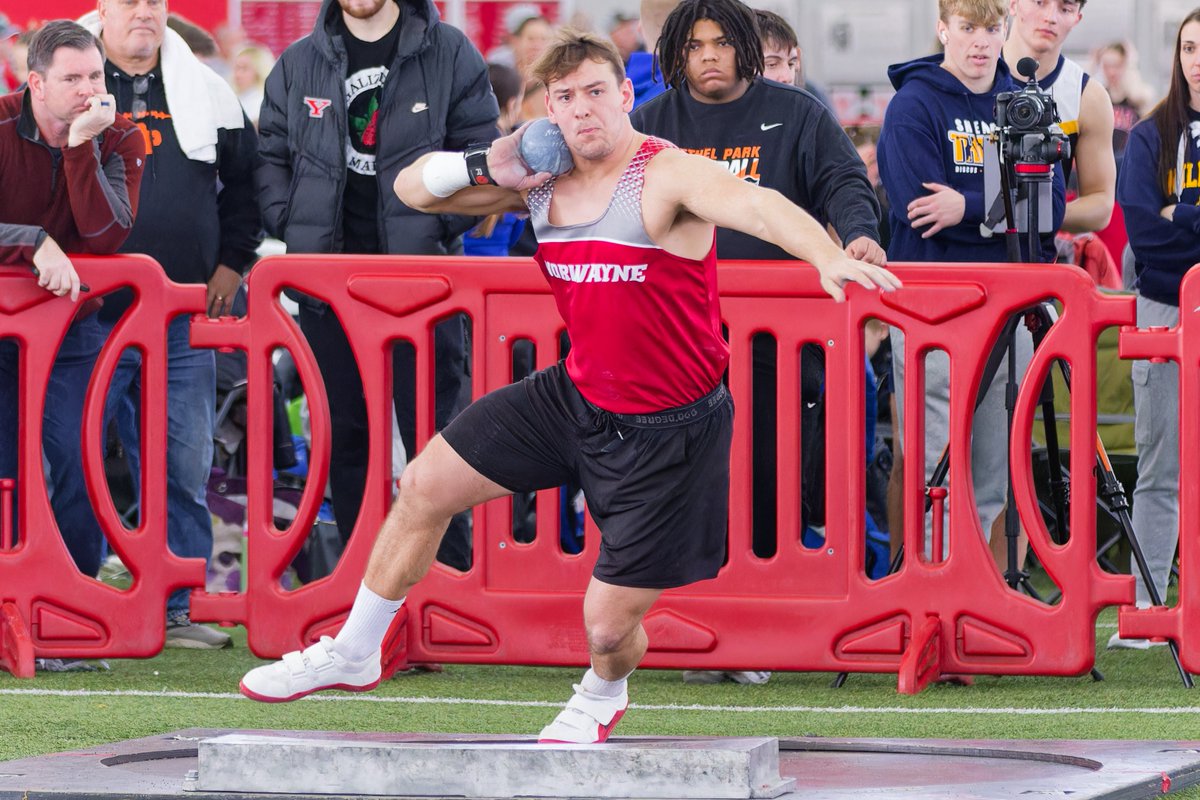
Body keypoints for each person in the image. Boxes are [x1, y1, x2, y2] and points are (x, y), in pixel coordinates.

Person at [240, 29, 899, 742]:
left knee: (608, 629)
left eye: (595, 92)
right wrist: (486, 158)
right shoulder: (540, 180)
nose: (583, 110)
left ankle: (601, 691)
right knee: (424, 484)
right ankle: (356, 648)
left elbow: (758, 205)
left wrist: (825, 255)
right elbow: (407, 190)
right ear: (546, 111)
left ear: (625, 97)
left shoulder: (666, 173)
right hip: (576, 396)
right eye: (564, 98)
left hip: (671, 431)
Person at [631, 0, 883, 685]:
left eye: (721, 43)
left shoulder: (797, 112)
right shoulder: (650, 124)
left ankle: (756, 627)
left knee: (770, 474)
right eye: (695, 45)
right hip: (676, 338)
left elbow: (843, 182)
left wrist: (857, 230)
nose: (708, 55)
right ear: (676, 53)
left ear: (745, 47)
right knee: (686, 478)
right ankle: (695, 618)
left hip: (779, 341)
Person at [255, 0, 499, 574]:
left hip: (426, 286)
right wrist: (291, 223)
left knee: (437, 442)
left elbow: (480, 155)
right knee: (347, 437)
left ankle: (446, 588)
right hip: (328, 288)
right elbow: (270, 154)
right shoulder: (297, 62)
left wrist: (435, 227)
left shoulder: (451, 52)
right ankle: (354, 589)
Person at [82, 0, 261, 649]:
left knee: (182, 460)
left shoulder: (206, 89)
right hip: (88, 312)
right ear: (102, 10)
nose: (144, 13)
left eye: (154, 2)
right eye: (129, 2)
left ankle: (178, 603)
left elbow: (248, 184)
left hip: (182, 310)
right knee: (74, 456)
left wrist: (232, 264)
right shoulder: (72, 74)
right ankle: (74, 591)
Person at [878, 0, 1064, 566]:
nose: (980, 43)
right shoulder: (913, 103)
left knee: (991, 474)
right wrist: (1002, 214)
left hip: (1007, 310)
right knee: (935, 469)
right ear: (942, 29)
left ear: (1005, 30)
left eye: (989, 29)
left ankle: (971, 607)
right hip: (932, 310)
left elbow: (1050, 209)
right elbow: (918, 209)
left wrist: (967, 206)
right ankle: (931, 605)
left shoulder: (1026, 104)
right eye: (967, 28)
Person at [0, 20, 145, 579]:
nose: (91, 91)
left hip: (71, 325)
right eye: (73, 79)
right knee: (7, 463)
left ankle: (73, 600)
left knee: (78, 460)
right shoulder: (2, 120)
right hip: (5, 322)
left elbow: (109, 234)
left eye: (96, 75)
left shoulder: (120, 134)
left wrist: (82, 143)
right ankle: (12, 594)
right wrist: (32, 241)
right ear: (35, 83)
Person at [1111, 9, 1200, 651]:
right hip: (1162, 309)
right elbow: (1145, 232)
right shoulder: (1149, 137)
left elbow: (1170, 222)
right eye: (1189, 46)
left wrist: (1183, 211)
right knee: (1160, 463)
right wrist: (1177, 221)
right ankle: (1147, 607)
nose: (1197, 58)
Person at [1001, 0, 1115, 235]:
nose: (1050, 17)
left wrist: (1034, 217)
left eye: (1066, 8)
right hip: (967, 253)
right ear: (1013, 4)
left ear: (1077, 18)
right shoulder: (973, 76)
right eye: (1039, 2)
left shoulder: (1087, 96)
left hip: (1040, 257)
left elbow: (1101, 204)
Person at [1093, 41, 1153, 158]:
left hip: (1130, 161)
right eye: (1106, 66)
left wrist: (1132, 66)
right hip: (1105, 162)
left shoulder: (1135, 97)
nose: (1111, 72)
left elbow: (1141, 96)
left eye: (1117, 65)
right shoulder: (1099, 97)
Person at [230, 43, 274, 127]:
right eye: (236, 68)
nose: (238, 74)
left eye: (244, 68)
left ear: (259, 70)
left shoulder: (263, 104)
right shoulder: (233, 99)